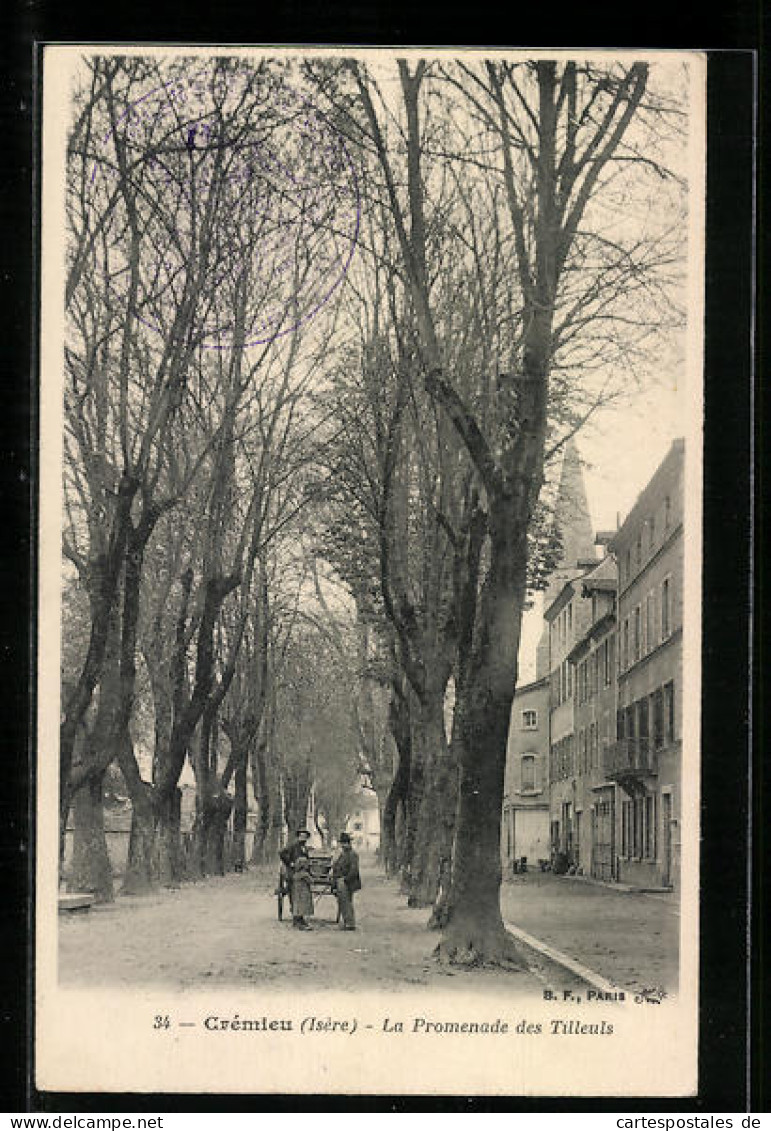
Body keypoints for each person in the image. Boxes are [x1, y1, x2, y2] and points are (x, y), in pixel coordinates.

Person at [279, 829, 311, 927]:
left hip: (301, 873)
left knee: (301, 896)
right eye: (301, 836)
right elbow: (281, 852)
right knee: (294, 895)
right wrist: (290, 863)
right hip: (293, 873)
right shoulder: (293, 845)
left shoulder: (304, 847)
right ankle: (296, 919)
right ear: (298, 836)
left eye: (305, 836)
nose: (303, 838)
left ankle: (300, 918)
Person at [332, 832, 361, 931]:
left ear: (349, 843)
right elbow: (337, 866)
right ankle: (347, 922)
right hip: (341, 880)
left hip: (347, 881)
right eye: (342, 843)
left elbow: (354, 870)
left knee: (346, 902)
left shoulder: (353, 854)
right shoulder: (342, 854)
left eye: (345, 843)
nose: (344, 845)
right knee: (342, 902)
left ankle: (350, 924)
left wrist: (345, 880)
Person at [289, 852, 314, 930]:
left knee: (298, 906)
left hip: (296, 893)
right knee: (303, 906)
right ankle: (301, 923)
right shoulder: (305, 874)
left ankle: (297, 920)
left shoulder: (296, 874)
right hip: (304, 893)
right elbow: (311, 881)